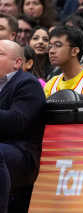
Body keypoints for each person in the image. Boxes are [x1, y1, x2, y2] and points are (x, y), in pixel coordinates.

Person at [0, 40, 45, 213]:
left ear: (17, 63)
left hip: (21, 152)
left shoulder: (27, 83)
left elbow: (18, 122)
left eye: (0, 53)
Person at [44, 26, 83, 97]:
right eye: (50, 46)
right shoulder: (50, 85)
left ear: (74, 51)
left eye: (58, 45)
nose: (51, 51)